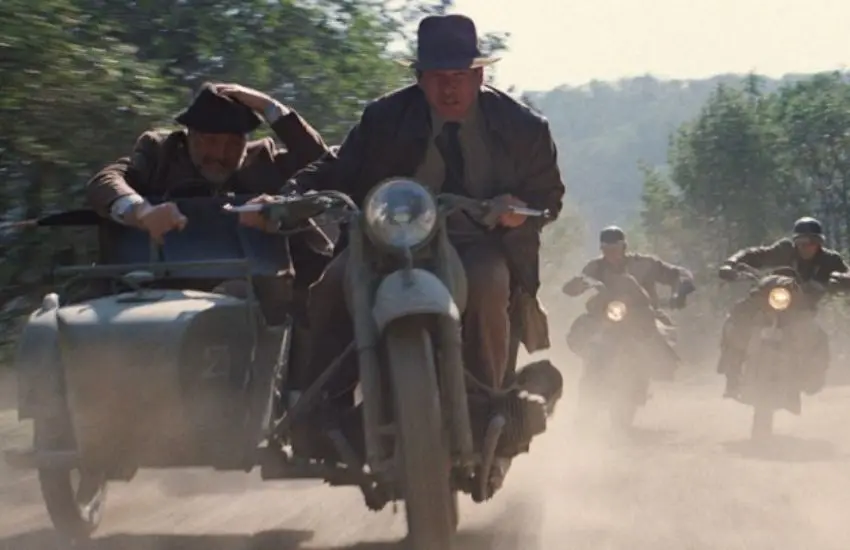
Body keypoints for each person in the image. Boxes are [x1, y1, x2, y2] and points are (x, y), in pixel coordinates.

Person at [282, 14, 565, 465]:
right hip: (388, 245)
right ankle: (321, 411)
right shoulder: (383, 117)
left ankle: (488, 406)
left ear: (479, 75)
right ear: (419, 79)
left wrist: (519, 208)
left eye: (459, 77)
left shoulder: (524, 127)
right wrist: (287, 197)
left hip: (479, 241)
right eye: (437, 78)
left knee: (491, 283)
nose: (448, 89)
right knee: (334, 282)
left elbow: (548, 197)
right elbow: (335, 167)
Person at [85, 82, 335, 298]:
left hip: (266, 296)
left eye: (233, 143)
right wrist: (141, 212)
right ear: (189, 136)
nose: (220, 154)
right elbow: (106, 180)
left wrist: (269, 106)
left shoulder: (263, 160)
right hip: (163, 290)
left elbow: (324, 166)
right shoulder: (160, 153)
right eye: (210, 141)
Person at [716, 216, 850, 398]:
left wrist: (840, 281)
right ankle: (732, 376)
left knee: (818, 338)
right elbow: (754, 254)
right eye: (802, 242)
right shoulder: (784, 250)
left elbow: (847, 274)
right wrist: (731, 264)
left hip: (802, 310)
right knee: (735, 320)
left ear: (820, 243)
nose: (806, 246)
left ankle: (811, 378)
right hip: (767, 301)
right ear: (795, 241)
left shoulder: (830, 260)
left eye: (813, 242)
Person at [562, 225, 695, 375]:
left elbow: (680, 274)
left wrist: (679, 293)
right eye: (606, 249)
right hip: (607, 314)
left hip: (643, 313)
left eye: (615, 248)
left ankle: (665, 369)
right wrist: (578, 284)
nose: (611, 253)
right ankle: (592, 370)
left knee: (661, 339)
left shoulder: (644, 264)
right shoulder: (596, 267)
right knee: (581, 331)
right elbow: (576, 284)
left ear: (624, 247)